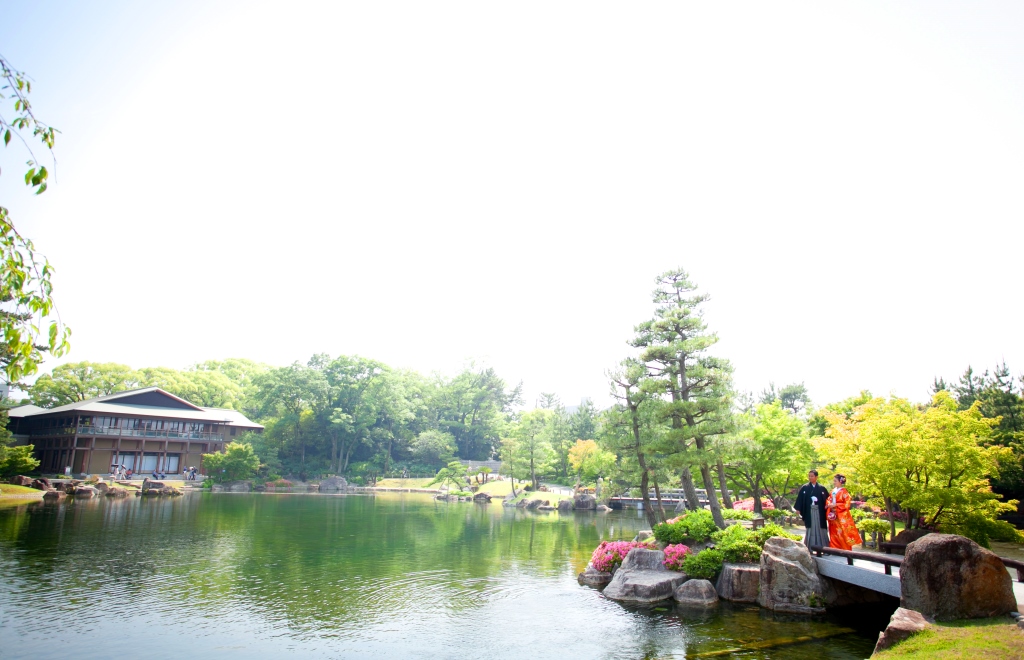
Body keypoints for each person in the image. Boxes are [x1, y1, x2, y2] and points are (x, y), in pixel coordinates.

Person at [793, 469, 829, 548]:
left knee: (821, 527)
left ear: (816, 477)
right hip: (809, 511)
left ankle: (823, 547)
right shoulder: (805, 488)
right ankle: (810, 547)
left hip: (820, 512)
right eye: (809, 476)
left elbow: (827, 500)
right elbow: (800, 499)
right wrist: (798, 509)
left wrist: (828, 506)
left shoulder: (822, 488)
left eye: (812, 476)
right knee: (810, 527)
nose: (810, 477)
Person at [826, 474, 863, 550]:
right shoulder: (832, 491)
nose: (834, 482)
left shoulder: (844, 492)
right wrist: (829, 504)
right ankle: (834, 548)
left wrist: (836, 505)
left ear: (840, 481)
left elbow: (847, 504)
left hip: (841, 515)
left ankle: (845, 549)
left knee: (842, 532)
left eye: (835, 481)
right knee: (833, 532)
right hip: (833, 515)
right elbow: (828, 499)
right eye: (834, 481)